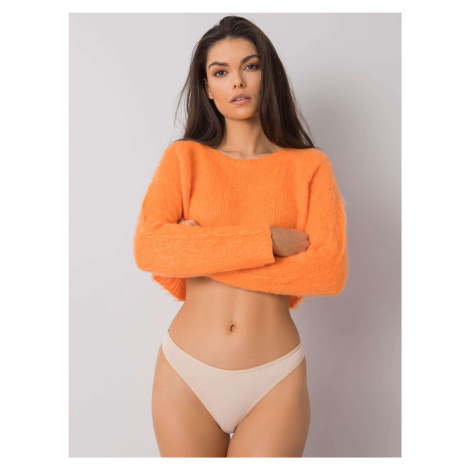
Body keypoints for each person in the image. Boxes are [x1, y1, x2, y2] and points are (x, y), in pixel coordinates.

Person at [133, 15, 348, 457]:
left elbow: (328, 272)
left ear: (269, 75)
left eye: (250, 66)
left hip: (274, 378)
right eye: (221, 71)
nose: (237, 81)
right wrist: (266, 241)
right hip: (185, 373)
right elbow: (149, 248)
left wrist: (199, 251)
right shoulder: (184, 159)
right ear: (207, 88)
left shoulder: (309, 167)